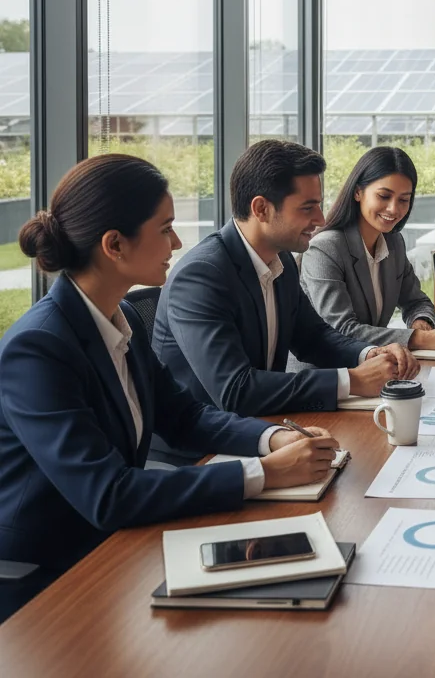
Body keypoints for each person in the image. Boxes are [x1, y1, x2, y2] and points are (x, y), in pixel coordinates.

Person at [0, 155, 340, 622]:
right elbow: (108, 494)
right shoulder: (38, 348)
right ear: (114, 245)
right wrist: (265, 473)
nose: (177, 242)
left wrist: (275, 437)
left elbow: (184, 415)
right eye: (165, 229)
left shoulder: (119, 321)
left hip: (116, 547)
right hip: (52, 575)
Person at [151, 141, 417, 445]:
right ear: (261, 209)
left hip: (269, 429)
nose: (320, 219)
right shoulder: (201, 275)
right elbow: (236, 391)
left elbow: (312, 337)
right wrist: (352, 380)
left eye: (318, 204)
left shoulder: (280, 260)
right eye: (308, 207)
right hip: (204, 453)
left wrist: (370, 354)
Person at [301, 146, 435, 350]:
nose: (394, 209)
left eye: (403, 200)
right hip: (327, 372)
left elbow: (415, 301)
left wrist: (421, 323)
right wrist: (421, 339)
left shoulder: (394, 242)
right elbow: (342, 329)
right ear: (358, 192)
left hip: (375, 364)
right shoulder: (325, 249)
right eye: (383, 196)